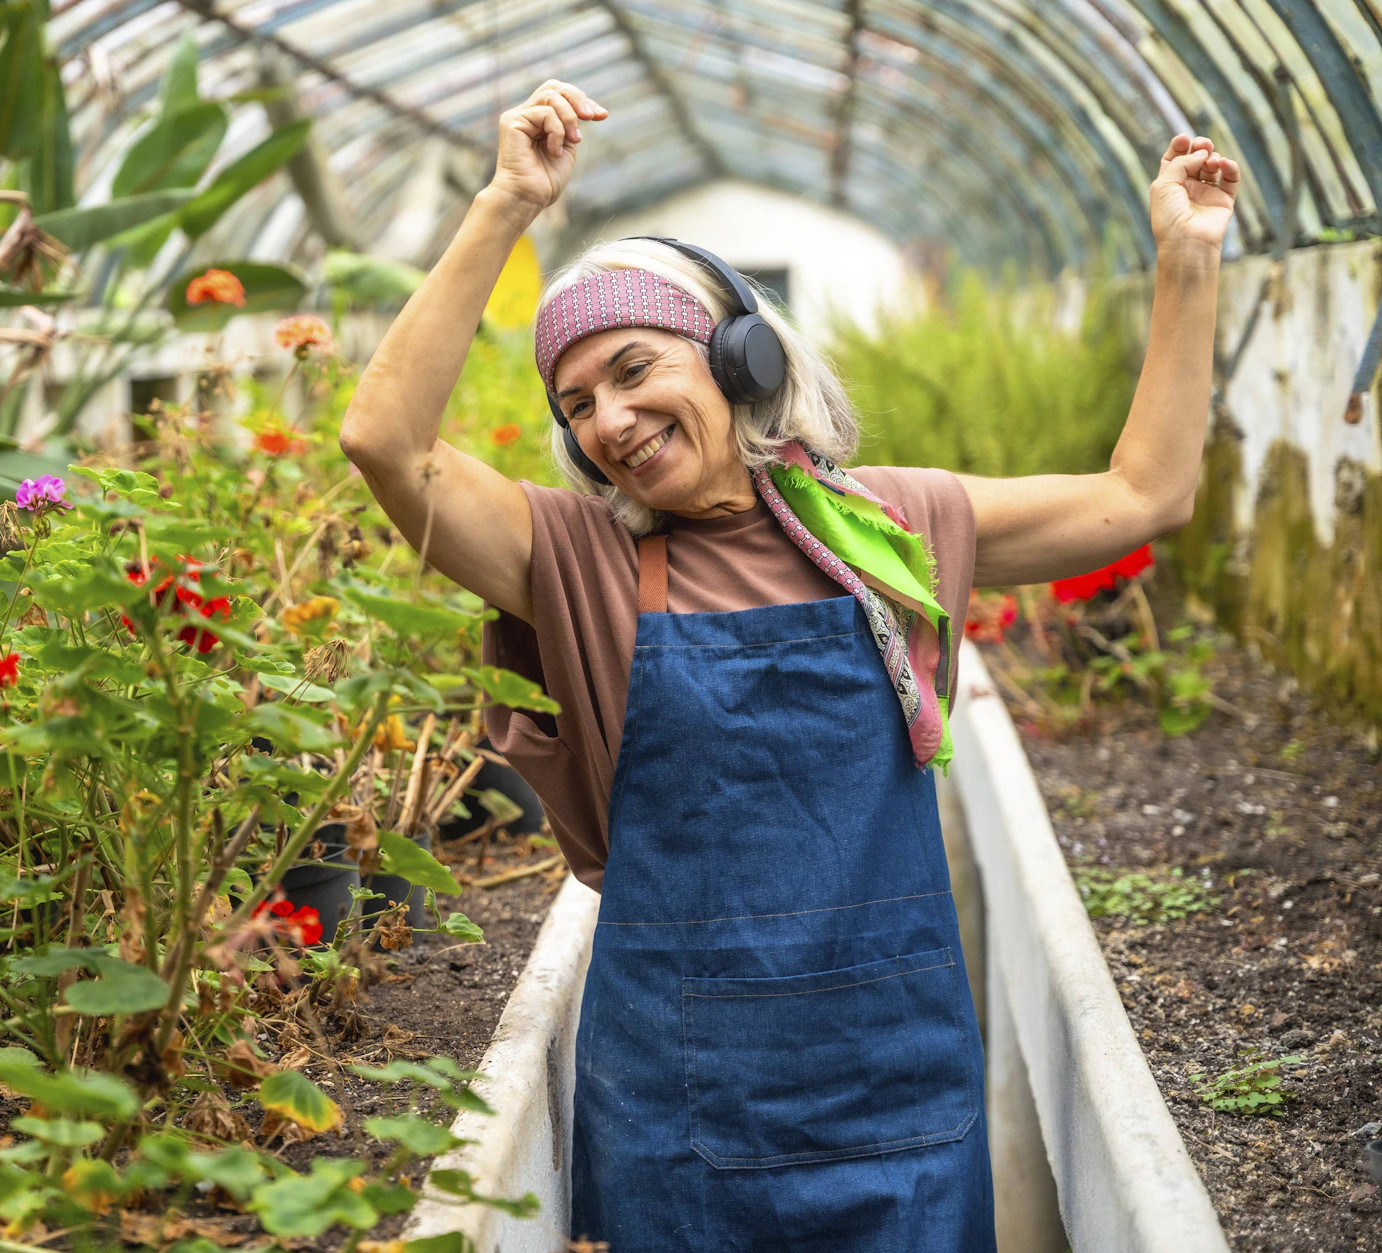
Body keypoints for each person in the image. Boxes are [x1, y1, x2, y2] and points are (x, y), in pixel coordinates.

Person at [340, 79, 1237, 1252]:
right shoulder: (573, 558)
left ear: (741, 358)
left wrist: (1185, 259)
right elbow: (383, 440)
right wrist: (505, 203)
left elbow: (1143, 494)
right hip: (678, 1108)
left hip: (897, 1092)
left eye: (633, 368)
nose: (609, 419)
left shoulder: (887, 525)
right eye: (577, 404)